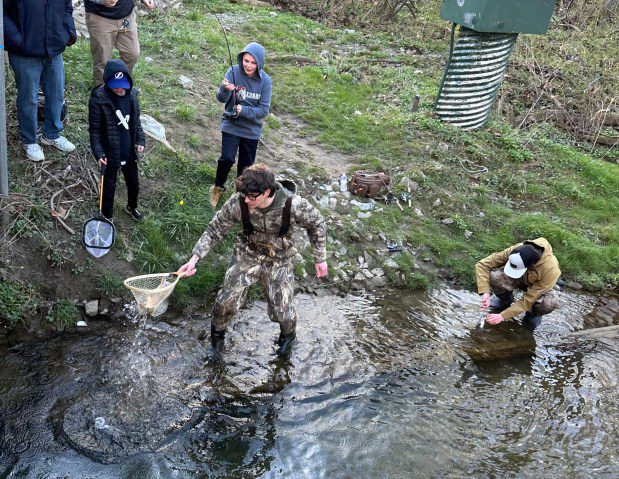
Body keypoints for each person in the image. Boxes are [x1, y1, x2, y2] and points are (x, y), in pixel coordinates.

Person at [179, 164, 328, 358]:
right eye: (244, 195)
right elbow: (215, 229)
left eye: (252, 197)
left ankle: (287, 339)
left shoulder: (293, 205)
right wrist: (194, 258)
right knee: (226, 302)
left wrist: (320, 258)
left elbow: (317, 224)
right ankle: (217, 341)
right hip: (247, 253)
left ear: (267, 192)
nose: (247, 200)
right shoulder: (239, 202)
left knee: (282, 310)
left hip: (279, 259)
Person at [3, 0, 77, 162]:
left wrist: (68, 32)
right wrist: (17, 40)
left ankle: (51, 134)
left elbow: (67, 8)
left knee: (56, 94)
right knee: (28, 98)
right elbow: (3, 12)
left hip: (54, 49)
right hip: (25, 53)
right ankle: (29, 140)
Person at [209, 42, 272, 208]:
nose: (248, 65)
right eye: (246, 60)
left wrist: (243, 110)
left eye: (253, 62)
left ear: (259, 64)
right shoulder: (233, 72)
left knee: (245, 167)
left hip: (252, 129)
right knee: (227, 158)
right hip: (232, 123)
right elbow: (221, 99)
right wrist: (225, 89)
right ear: (241, 59)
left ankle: (240, 194)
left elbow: (264, 110)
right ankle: (218, 186)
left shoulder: (265, 81)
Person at [88, 59, 145, 221]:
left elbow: (136, 122)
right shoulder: (98, 100)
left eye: (122, 84)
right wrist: (99, 153)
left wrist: (139, 140)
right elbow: (95, 131)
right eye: (114, 84)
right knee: (109, 187)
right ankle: (107, 216)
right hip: (110, 153)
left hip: (129, 152)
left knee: (133, 183)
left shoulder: (132, 96)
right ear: (107, 81)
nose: (119, 88)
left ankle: (132, 207)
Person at [476, 238, 561, 331]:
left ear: (531, 265)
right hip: (521, 278)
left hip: (541, 285)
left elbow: (528, 299)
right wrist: (485, 291)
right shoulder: (516, 250)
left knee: (548, 303)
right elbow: (482, 265)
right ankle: (505, 300)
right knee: (496, 277)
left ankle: (533, 314)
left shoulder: (550, 269)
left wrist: (503, 316)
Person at [85, 0, 155, 86]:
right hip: (99, 17)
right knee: (103, 60)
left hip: (126, 16)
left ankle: (120, 83)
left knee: (132, 54)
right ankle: (102, 93)